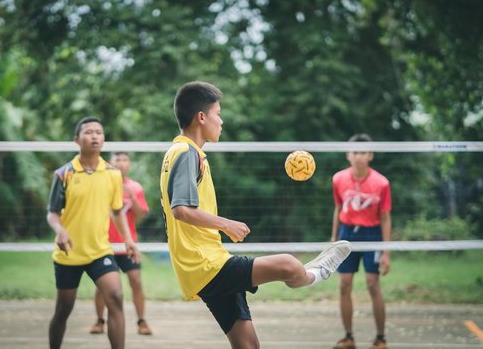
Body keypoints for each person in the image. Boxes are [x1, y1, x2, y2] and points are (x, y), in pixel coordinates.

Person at [159, 81, 353, 349]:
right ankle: (316, 273)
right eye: (218, 113)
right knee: (288, 265)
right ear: (201, 117)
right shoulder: (186, 153)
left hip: (203, 264)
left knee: (248, 345)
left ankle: (306, 273)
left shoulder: (184, 153)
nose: (221, 120)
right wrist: (227, 224)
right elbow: (181, 210)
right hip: (205, 264)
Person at [46, 116, 140, 349]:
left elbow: (117, 211)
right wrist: (60, 230)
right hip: (69, 254)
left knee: (116, 298)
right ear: (77, 139)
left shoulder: (112, 174)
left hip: (100, 252)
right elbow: (52, 213)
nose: (95, 136)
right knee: (63, 310)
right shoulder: (64, 174)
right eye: (89, 132)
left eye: (99, 132)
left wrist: (128, 240)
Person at [331, 133, 392, 349]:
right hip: (347, 233)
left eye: (363, 152)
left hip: (372, 234)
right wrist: (333, 240)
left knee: (373, 284)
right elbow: (338, 209)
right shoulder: (338, 179)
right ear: (348, 155)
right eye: (355, 152)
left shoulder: (381, 183)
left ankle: (380, 338)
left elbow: (385, 218)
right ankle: (348, 337)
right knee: (344, 284)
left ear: (371, 155)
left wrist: (386, 251)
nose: (359, 157)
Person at [90, 152, 152, 336]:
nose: (122, 163)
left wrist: (132, 197)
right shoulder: (102, 184)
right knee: (102, 285)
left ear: (129, 164)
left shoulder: (135, 187)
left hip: (128, 244)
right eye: (118, 160)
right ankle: (100, 321)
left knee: (136, 281)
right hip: (105, 245)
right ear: (110, 163)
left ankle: (142, 321)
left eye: (125, 160)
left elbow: (141, 214)